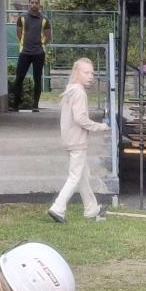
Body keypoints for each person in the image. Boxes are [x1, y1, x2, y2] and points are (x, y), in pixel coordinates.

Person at [47, 58, 111, 223]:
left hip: (70, 140)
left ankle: (91, 209)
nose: (91, 76)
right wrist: (100, 126)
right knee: (75, 176)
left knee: (82, 175)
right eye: (86, 72)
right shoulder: (79, 93)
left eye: (92, 73)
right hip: (77, 141)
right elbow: (80, 119)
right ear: (77, 73)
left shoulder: (71, 90)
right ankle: (58, 207)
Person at [11, 0, 51, 112]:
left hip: (39, 53)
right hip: (25, 52)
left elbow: (48, 36)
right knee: (19, 78)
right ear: (29, 4)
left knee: (37, 79)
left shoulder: (44, 19)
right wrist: (25, 44)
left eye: (36, 3)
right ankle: (15, 105)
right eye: (32, 2)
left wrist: (40, 44)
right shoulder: (22, 18)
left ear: (39, 4)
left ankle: (35, 106)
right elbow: (19, 34)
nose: (34, 5)